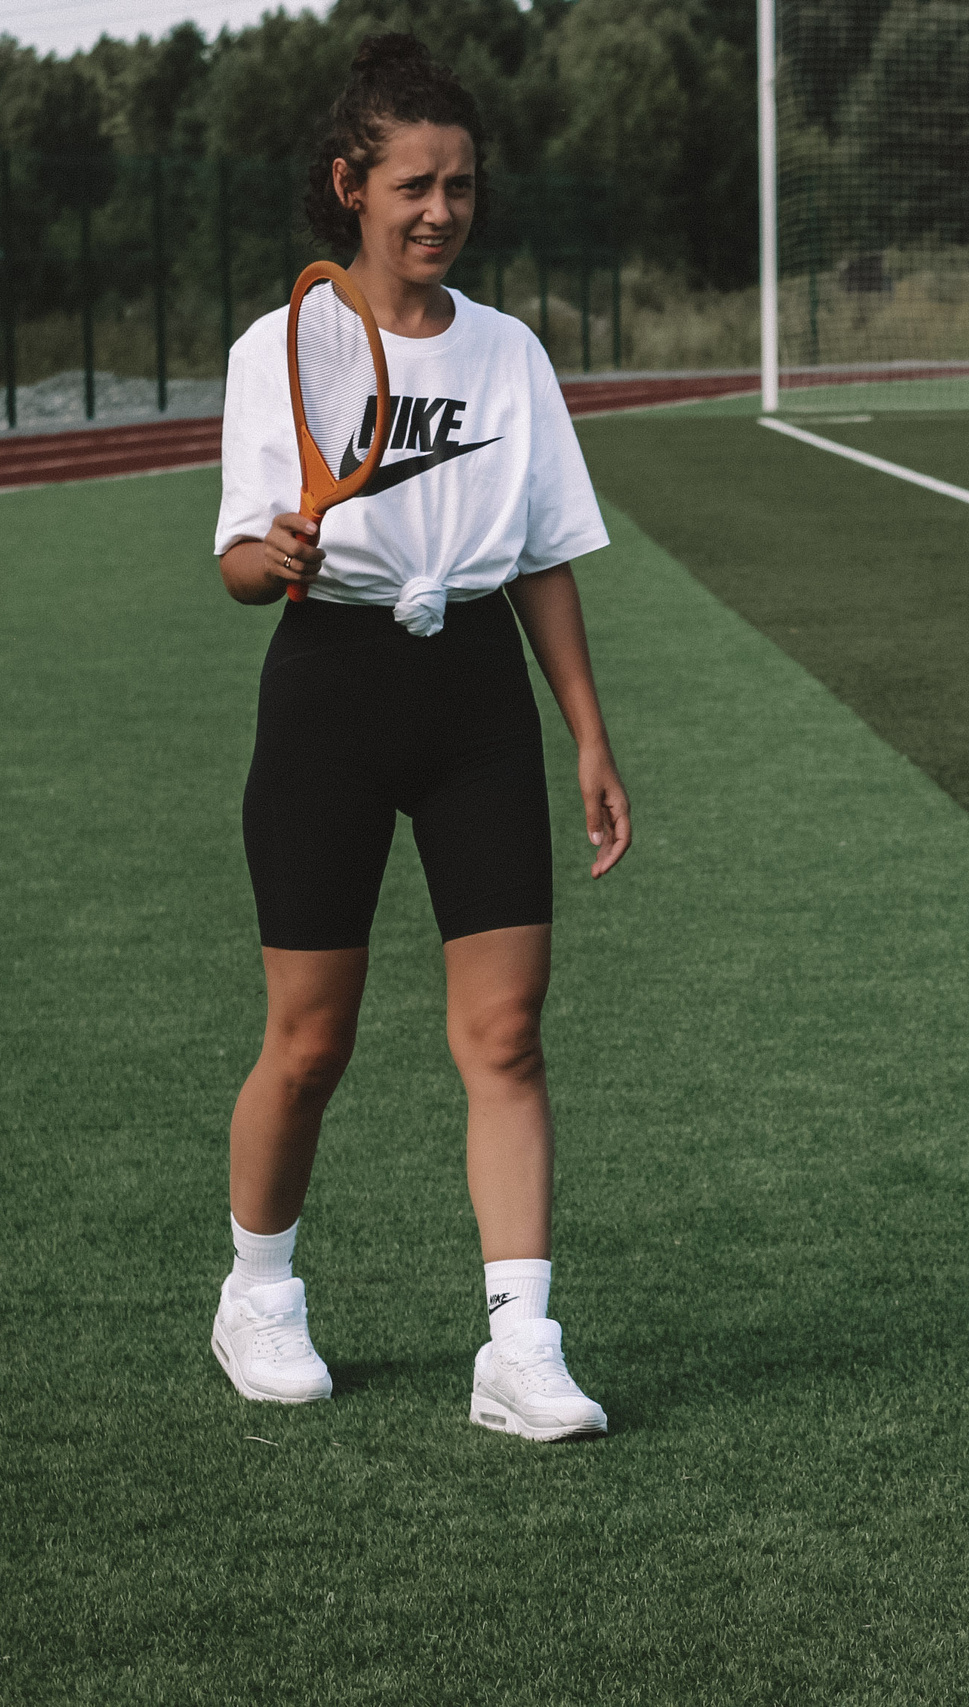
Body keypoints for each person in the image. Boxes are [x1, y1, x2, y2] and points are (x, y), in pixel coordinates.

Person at [207, 34, 630, 1443]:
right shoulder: (278, 347)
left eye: (460, 185)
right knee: (309, 1040)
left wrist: (587, 736)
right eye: (413, 184)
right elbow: (238, 565)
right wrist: (272, 556)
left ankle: (521, 1342)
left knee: (505, 1033)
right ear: (351, 186)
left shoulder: (511, 353)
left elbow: (545, 559)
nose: (441, 209)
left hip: (475, 708)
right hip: (328, 690)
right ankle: (258, 1289)